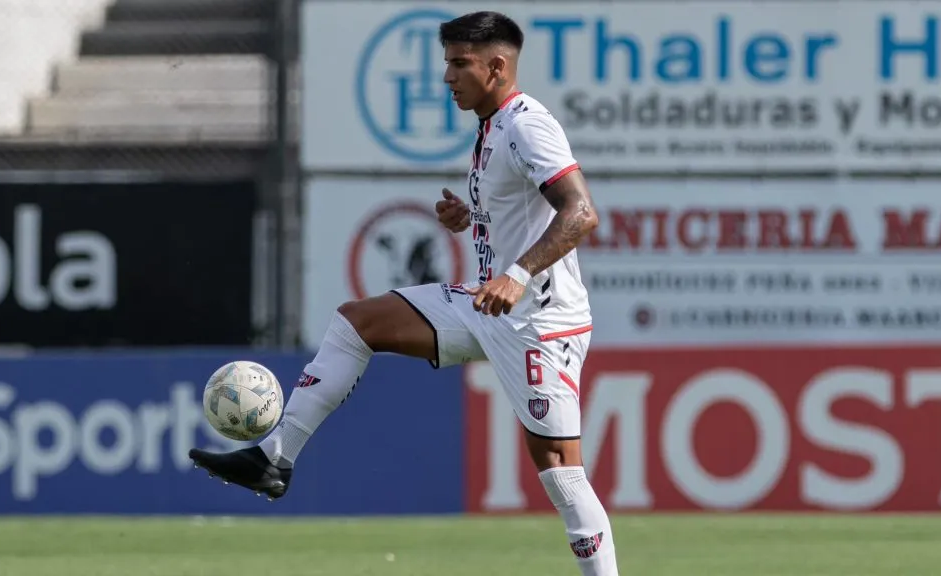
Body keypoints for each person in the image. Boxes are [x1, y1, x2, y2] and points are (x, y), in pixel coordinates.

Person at [189, 10, 619, 575]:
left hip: (542, 321)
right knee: (355, 322)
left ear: (496, 67)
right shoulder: (492, 125)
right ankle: (274, 460)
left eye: (459, 64)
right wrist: (473, 216)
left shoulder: (527, 125)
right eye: (446, 62)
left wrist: (517, 273)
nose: (447, 77)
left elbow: (581, 213)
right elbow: (523, 207)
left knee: (562, 475)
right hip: (488, 307)